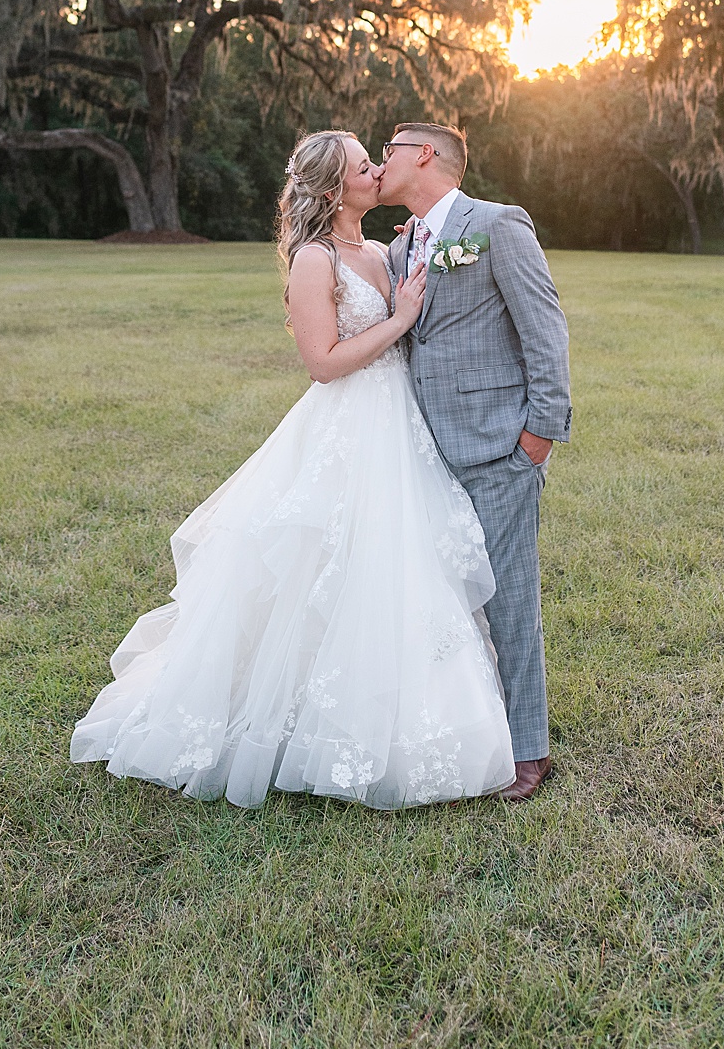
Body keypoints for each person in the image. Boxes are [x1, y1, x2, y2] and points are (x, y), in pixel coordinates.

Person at [71, 130, 517, 809]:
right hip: (347, 427)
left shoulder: (380, 250)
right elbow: (323, 362)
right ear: (335, 189)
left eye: (376, 160)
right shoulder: (315, 260)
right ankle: (302, 724)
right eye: (365, 166)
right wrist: (398, 320)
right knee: (327, 570)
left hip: (400, 426)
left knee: (400, 569)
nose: (377, 171)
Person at [377, 121, 572, 802]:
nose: (380, 163)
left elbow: (546, 331)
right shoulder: (405, 247)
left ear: (424, 155)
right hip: (426, 453)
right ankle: (466, 725)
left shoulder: (497, 225)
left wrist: (537, 439)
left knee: (508, 598)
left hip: (498, 449)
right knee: (445, 600)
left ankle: (528, 750)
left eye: (389, 151)